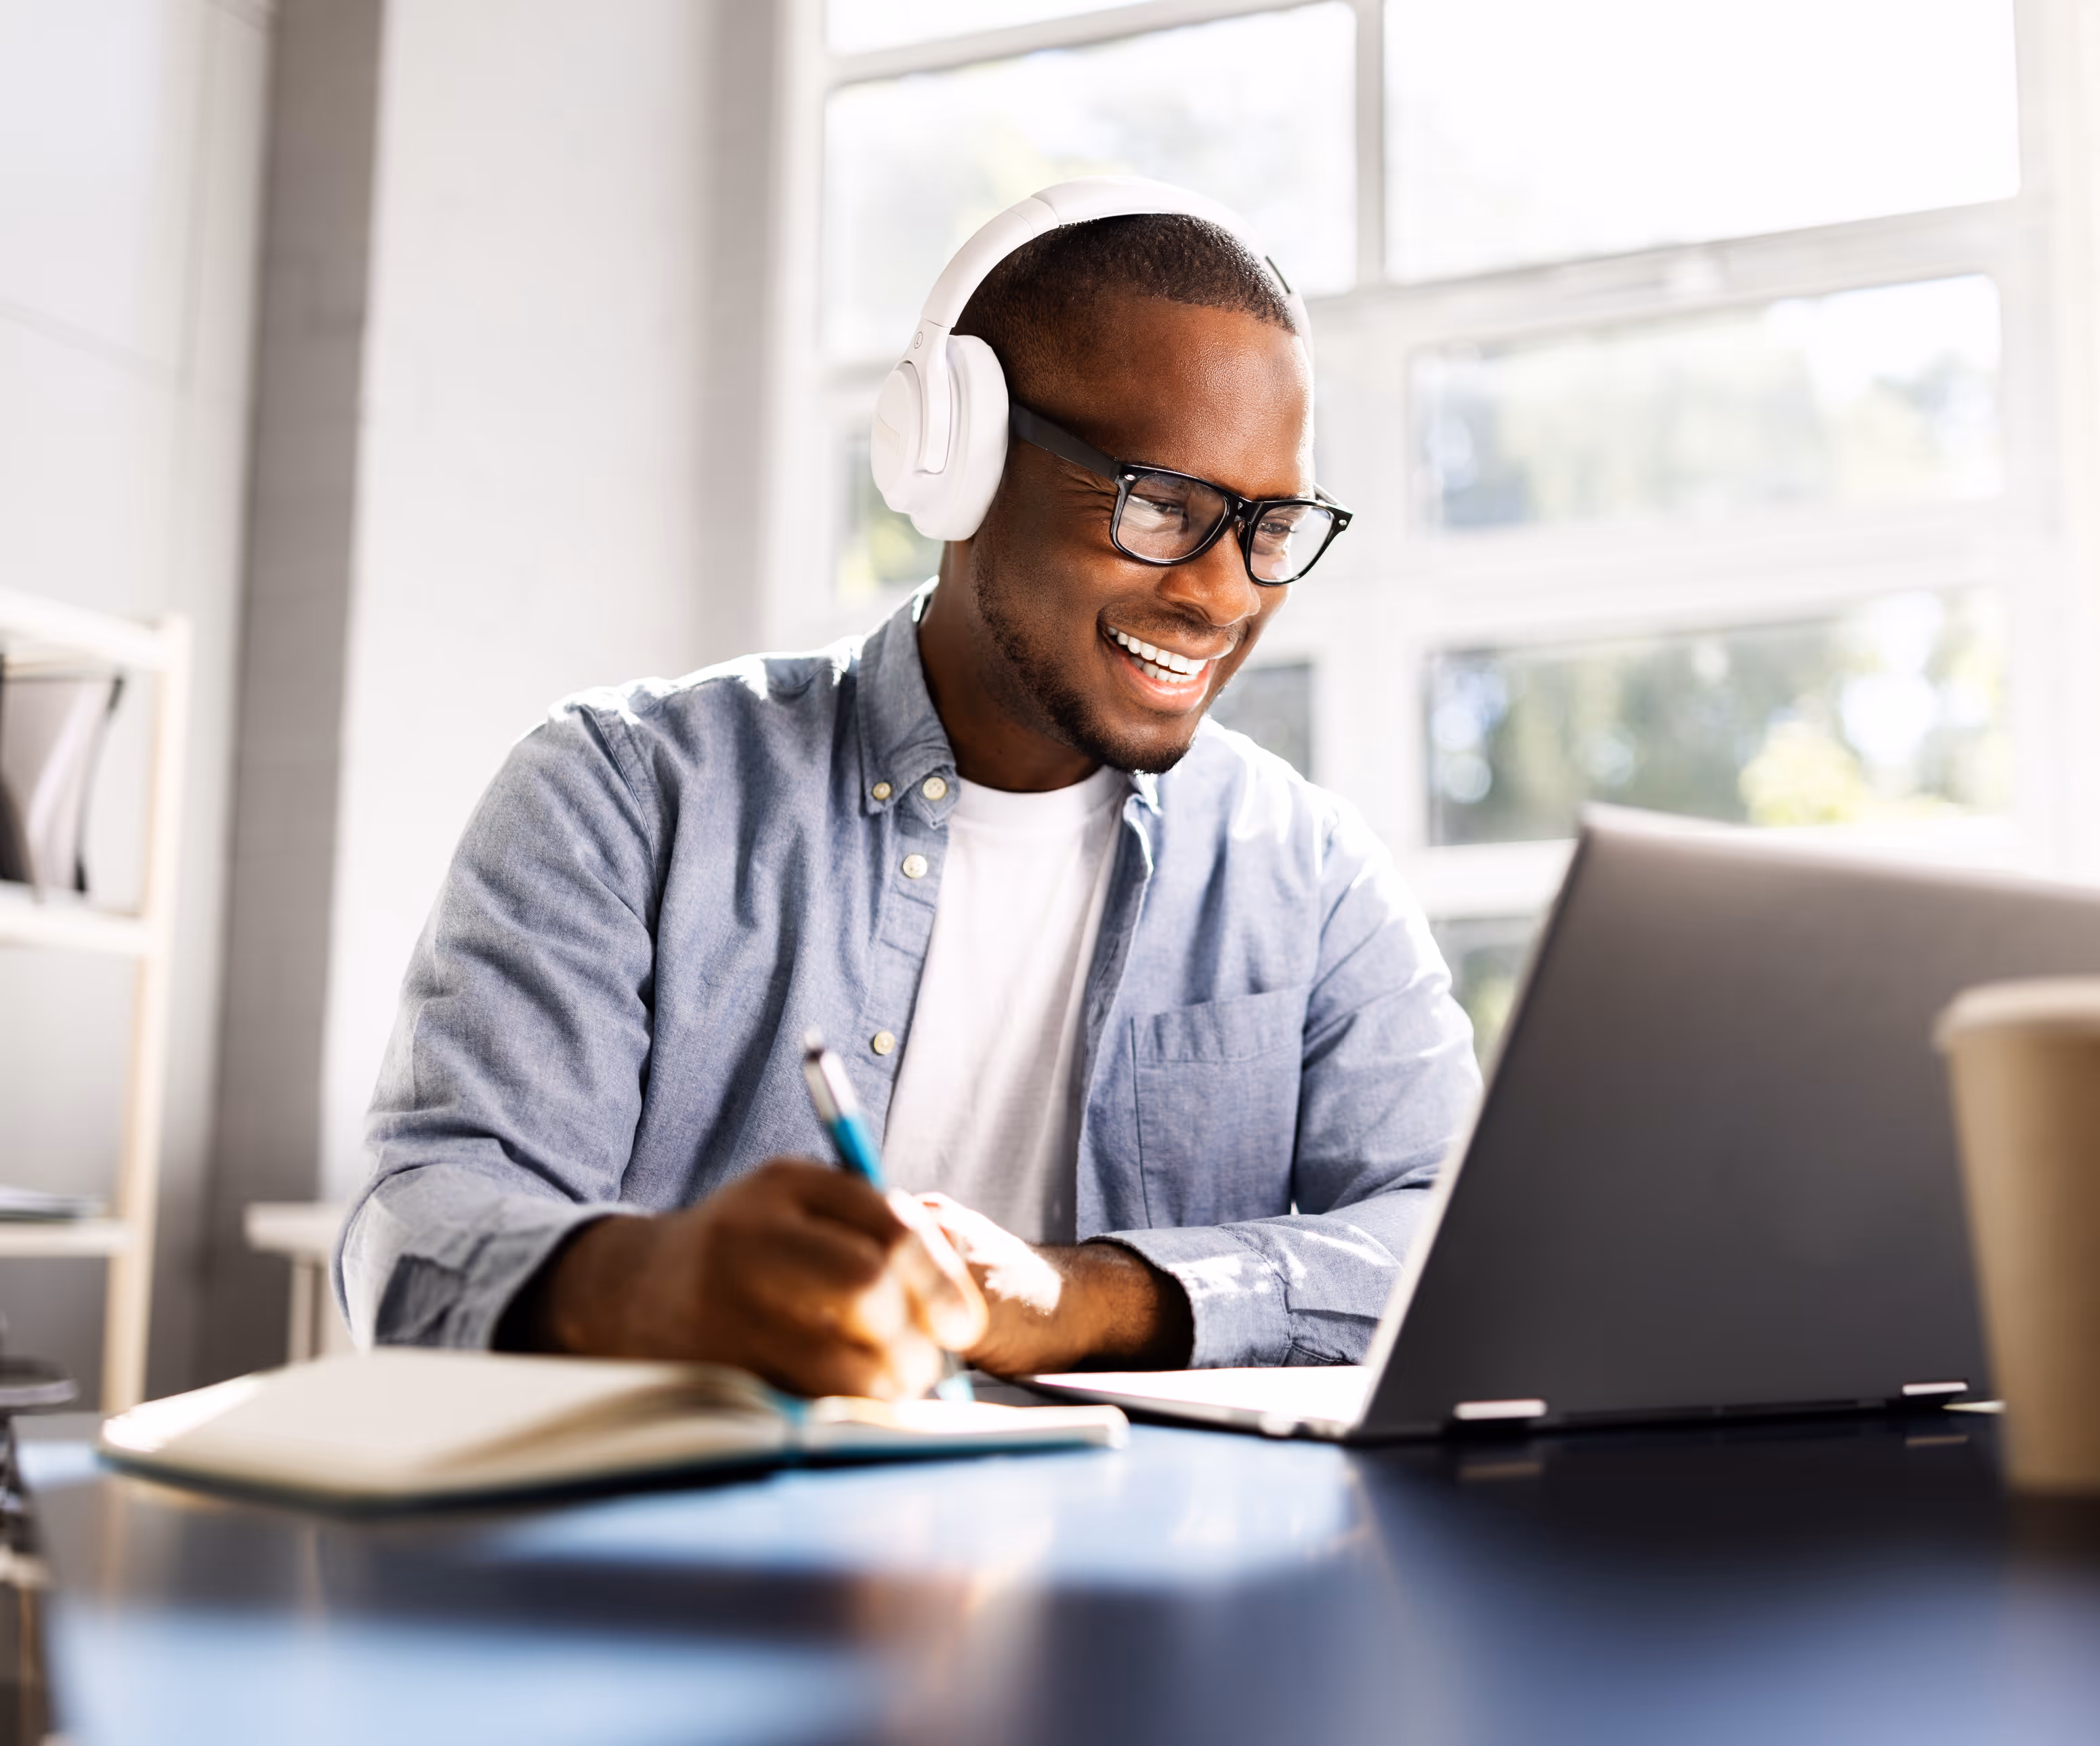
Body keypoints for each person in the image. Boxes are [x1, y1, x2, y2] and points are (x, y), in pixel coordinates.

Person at [337, 194, 1481, 1398]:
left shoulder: (1307, 872)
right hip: (712, 1554)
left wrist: (1083, 1296)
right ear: (961, 460)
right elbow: (418, 1225)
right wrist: (652, 1286)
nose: (1225, 594)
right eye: (1161, 505)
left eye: (1270, 525)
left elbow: (1455, 1237)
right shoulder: (622, 793)